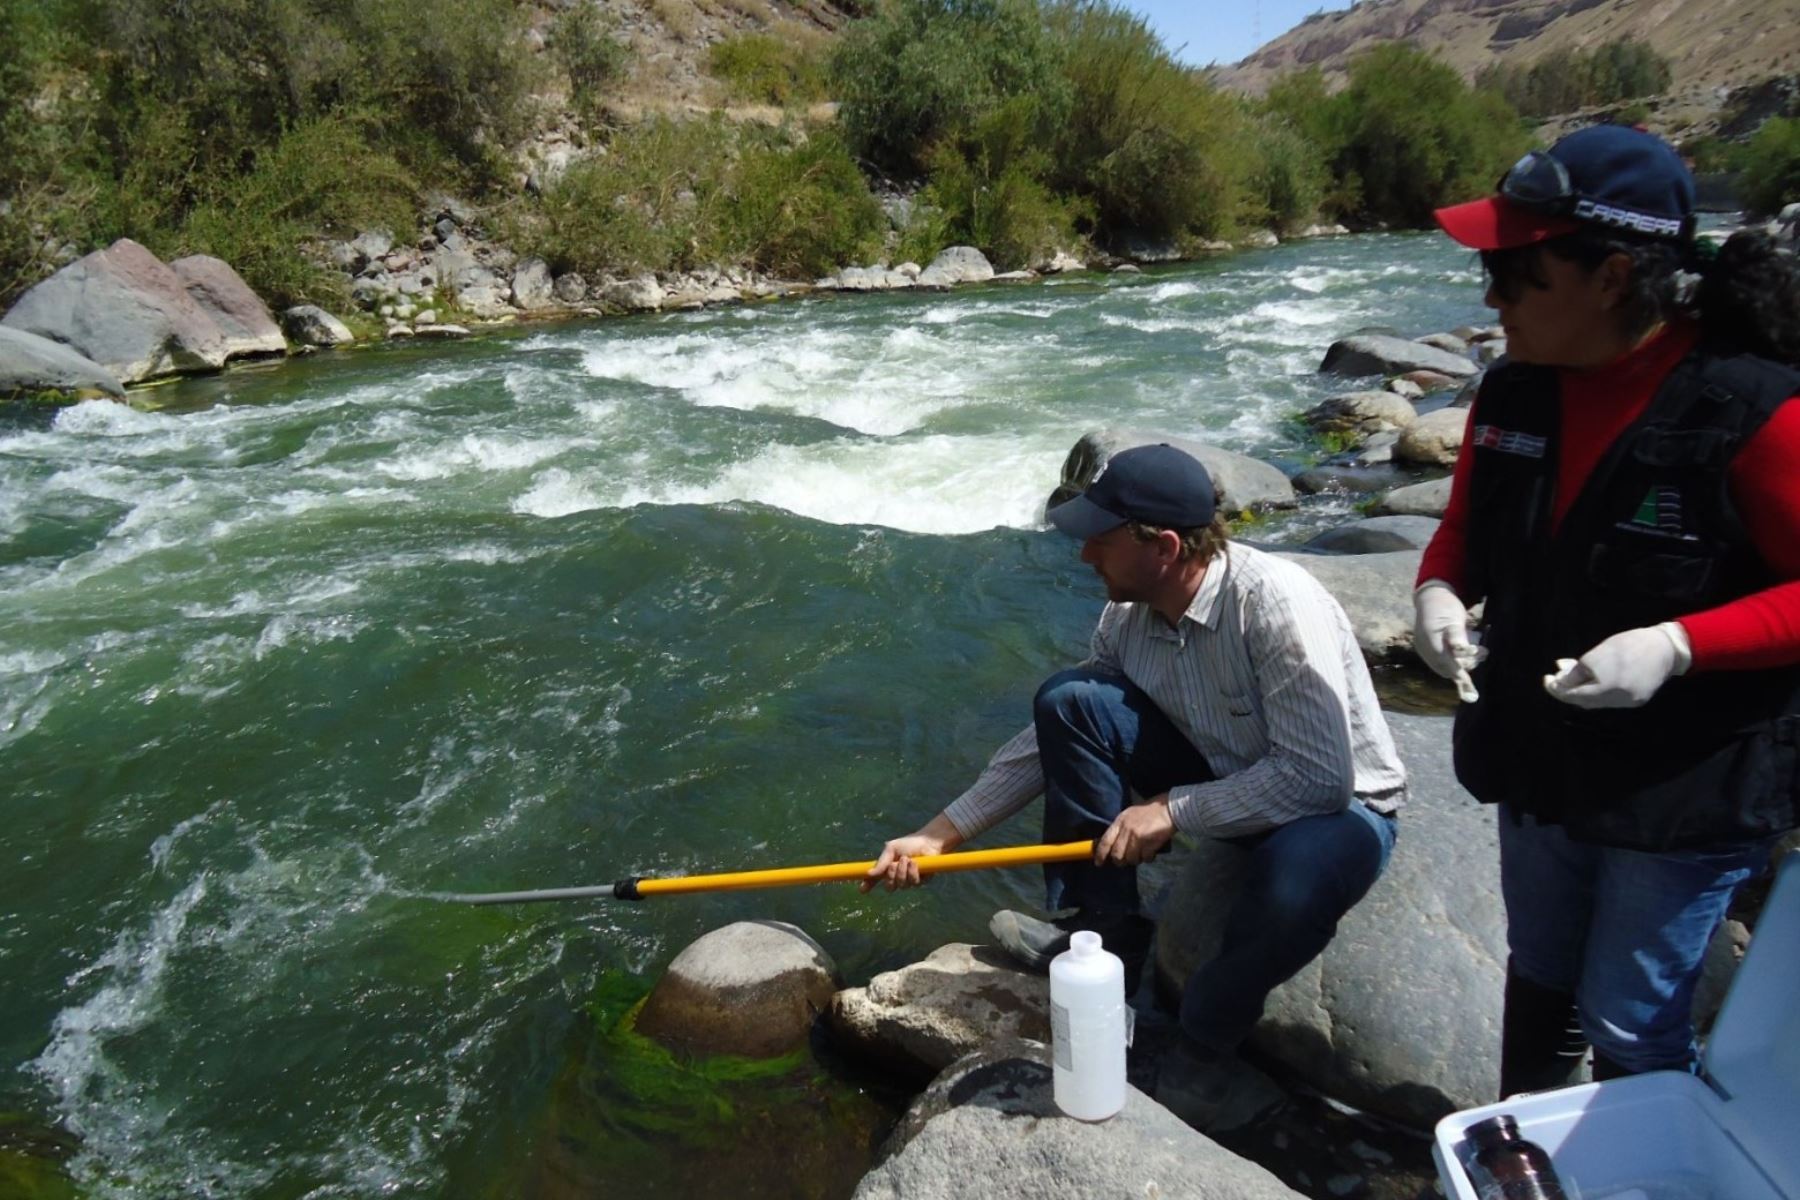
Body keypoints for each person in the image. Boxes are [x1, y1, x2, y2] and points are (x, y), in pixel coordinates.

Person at [1416, 123, 1800, 1097]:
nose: (1491, 299)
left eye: (1515, 275)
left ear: (1613, 276)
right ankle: (1522, 1149)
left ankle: (1638, 1163)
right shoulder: (1510, 394)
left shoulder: (1752, 412)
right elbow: (1462, 529)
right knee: (1541, 967)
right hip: (1538, 760)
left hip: (1682, 786)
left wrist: (1680, 645)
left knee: (1633, 1010)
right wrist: (1436, 592)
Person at [863, 442, 1407, 1125]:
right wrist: (939, 834)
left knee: (1293, 881)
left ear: (1166, 546)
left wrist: (1174, 811)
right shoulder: (1127, 615)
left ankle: (1207, 1041)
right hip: (1223, 768)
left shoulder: (1273, 605)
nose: (1085, 556)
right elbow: (1052, 739)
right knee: (1070, 699)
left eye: (1100, 540)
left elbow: (1320, 780)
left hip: (1336, 805)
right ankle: (1106, 937)